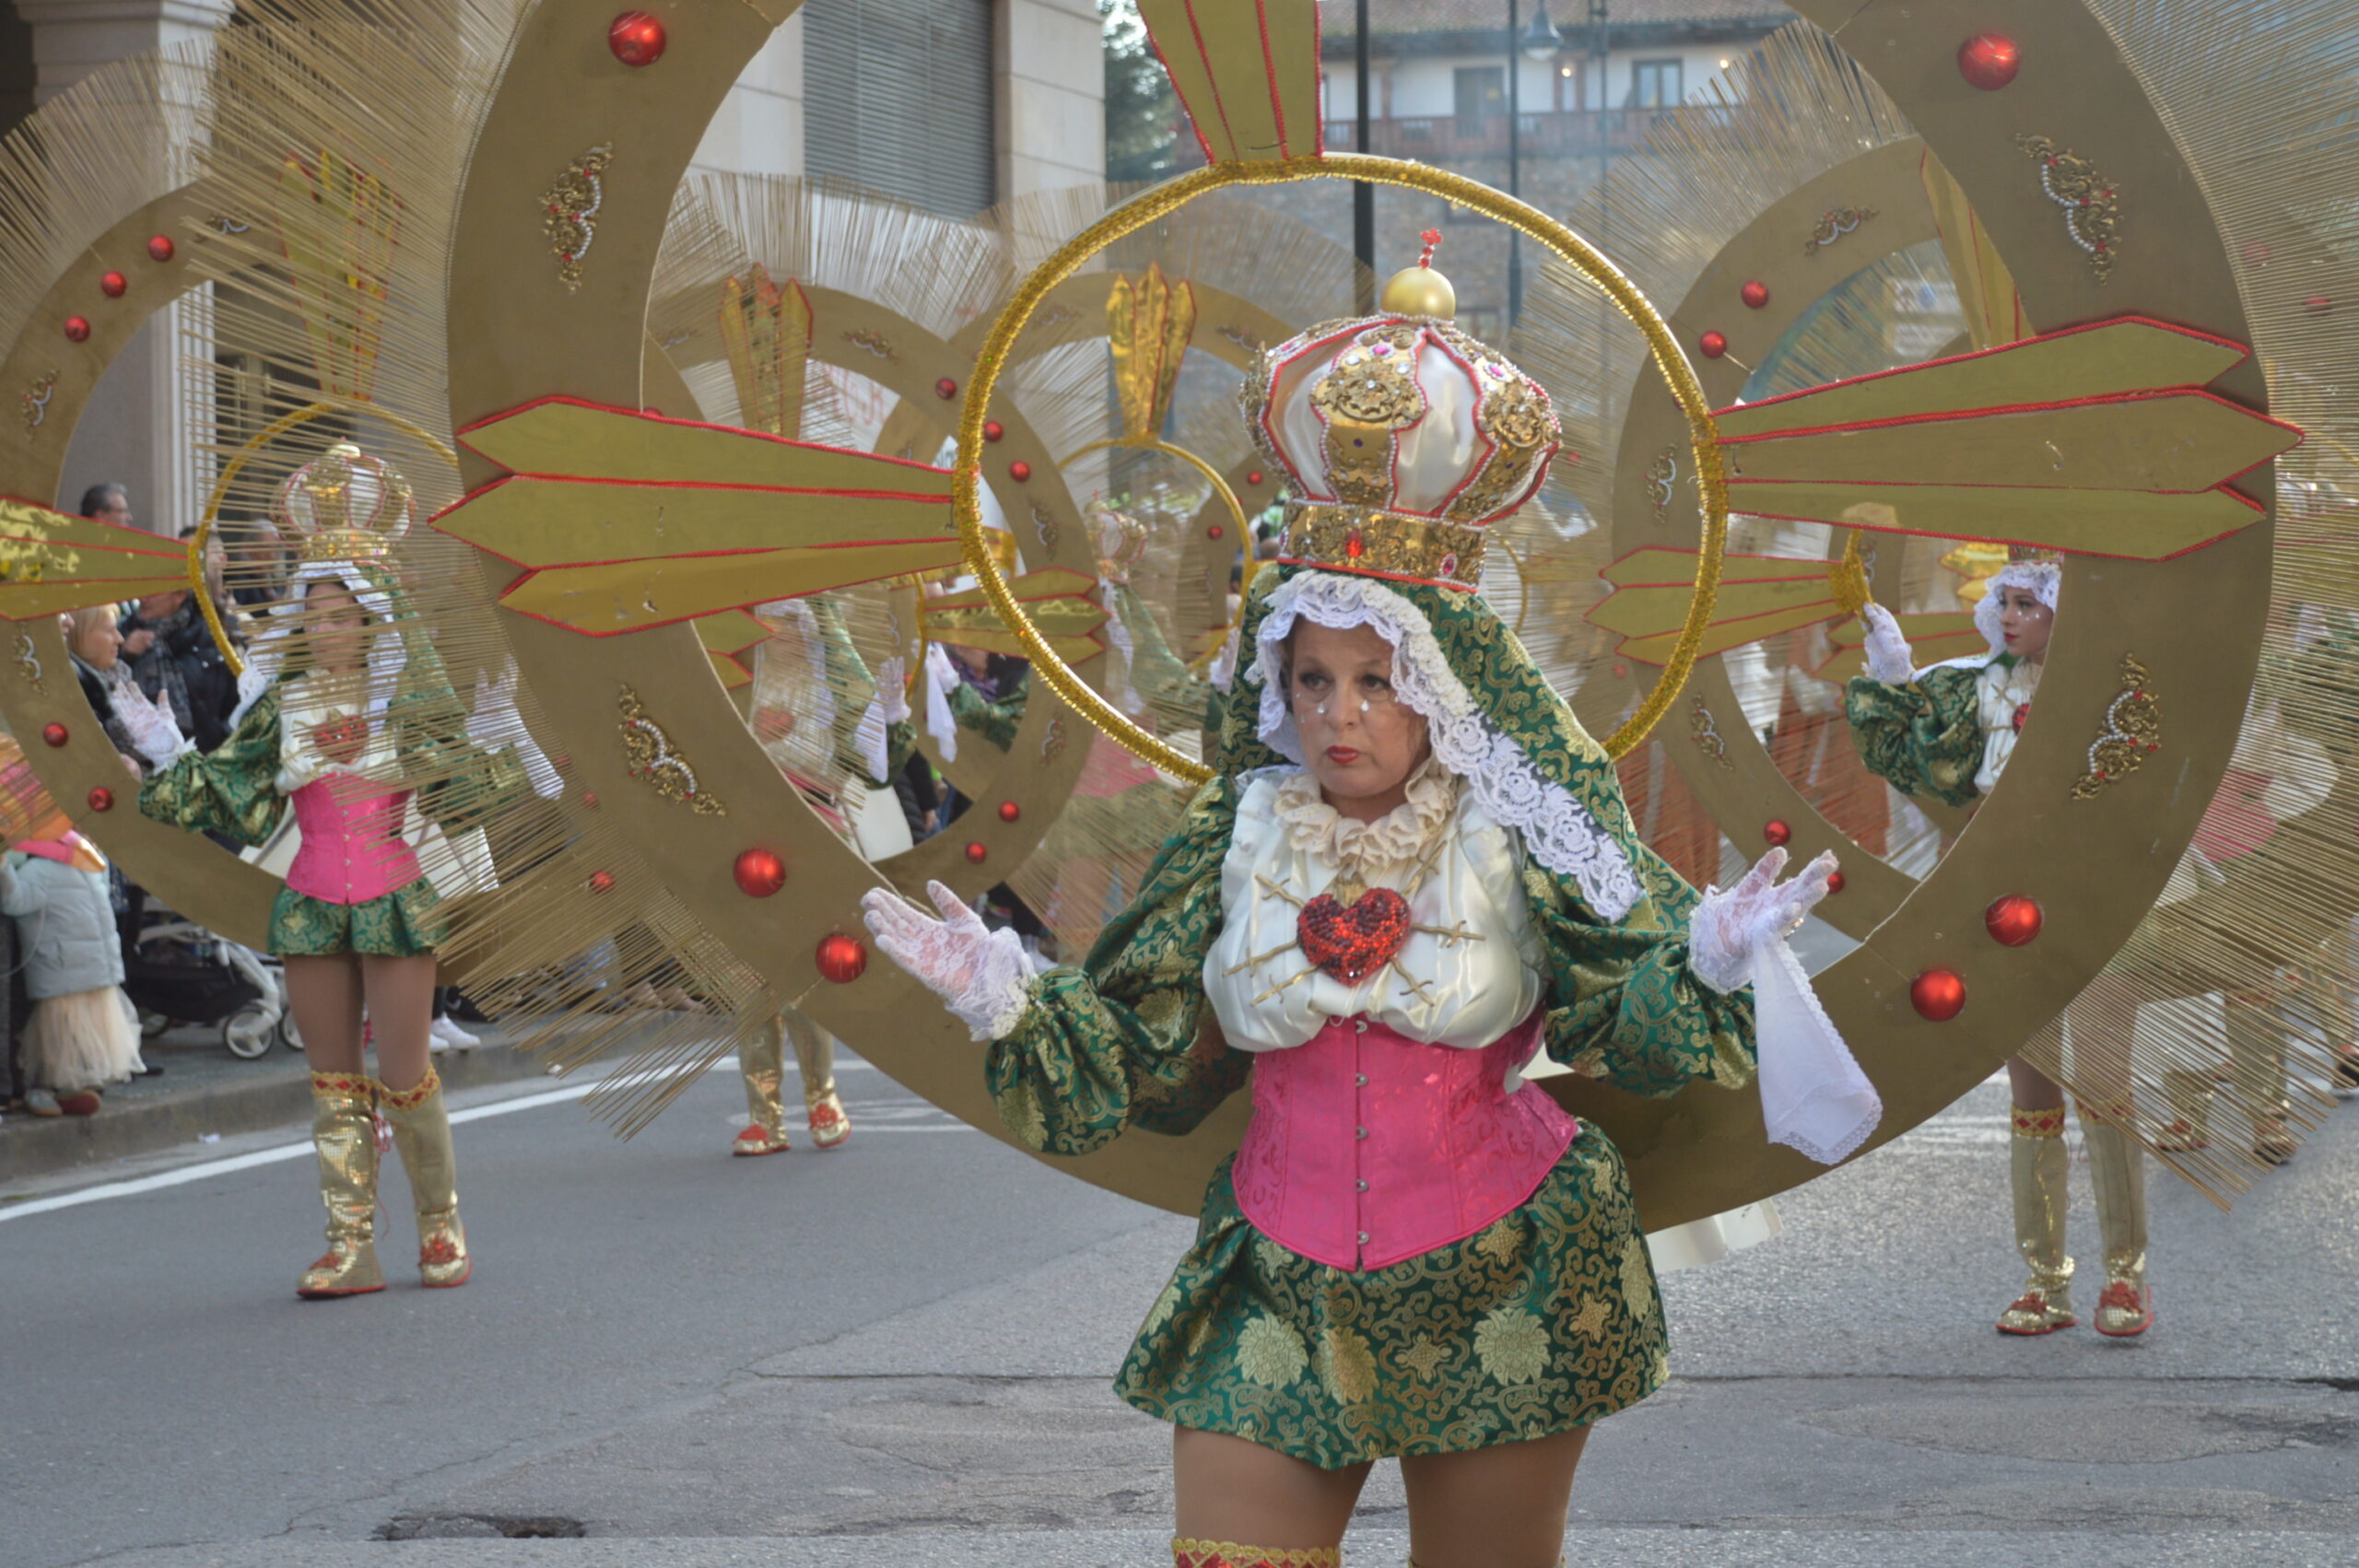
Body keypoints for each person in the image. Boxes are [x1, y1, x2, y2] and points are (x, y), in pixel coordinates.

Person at [863, 265, 1869, 1568]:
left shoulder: (1516, 826)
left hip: (1505, 1255)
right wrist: (1009, 995)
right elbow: (1149, 1062)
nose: (1341, 710)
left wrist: (1706, 956)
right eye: (1314, 677)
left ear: (1439, 684)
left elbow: (1634, 1026)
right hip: (1275, 1270)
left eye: (1377, 680)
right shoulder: (1239, 830)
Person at [114, 442, 540, 1299]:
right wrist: (166, 753)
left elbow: (464, 797)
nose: (323, 625)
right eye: (312, 610)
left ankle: (439, 1226)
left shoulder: (407, 706)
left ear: (375, 618)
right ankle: (351, 1246)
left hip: (392, 898)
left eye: (341, 611)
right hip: (311, 901)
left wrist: (505, 741)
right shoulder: (283, 709)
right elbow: (237, 797)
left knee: (405, 1078)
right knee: (332, 1083)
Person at [1848, 558, 2156, 1339]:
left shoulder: (2115, 693)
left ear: (2066, 612)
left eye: (2029, 604)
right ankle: (2045, 1281)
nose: (2010, 617)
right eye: (2005, 602)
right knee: (2033, 1095)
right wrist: (1892, 674)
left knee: (2106, 1086)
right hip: (2004, 914)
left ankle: (2127, 1278)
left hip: (2095, 902)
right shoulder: (1976, 687)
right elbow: (1910, 750)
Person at [0, 830, 141, 1117]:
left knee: (55, 1040)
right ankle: (86, 1081)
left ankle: (46, 1087)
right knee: (89, 1034)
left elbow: (15, 902)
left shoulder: (38, 871)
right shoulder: (91, 865)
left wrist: (3, 867)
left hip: (61, 970)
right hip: (98, 970)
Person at [120, 583, 239, 754]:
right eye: (141, 591)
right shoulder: (121, 634)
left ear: (180, 595)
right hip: (153, 759)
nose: (142, 598)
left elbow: (234, 699)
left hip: (211, 754)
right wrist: (125, 654)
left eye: (152, 592)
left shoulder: (211, 633)